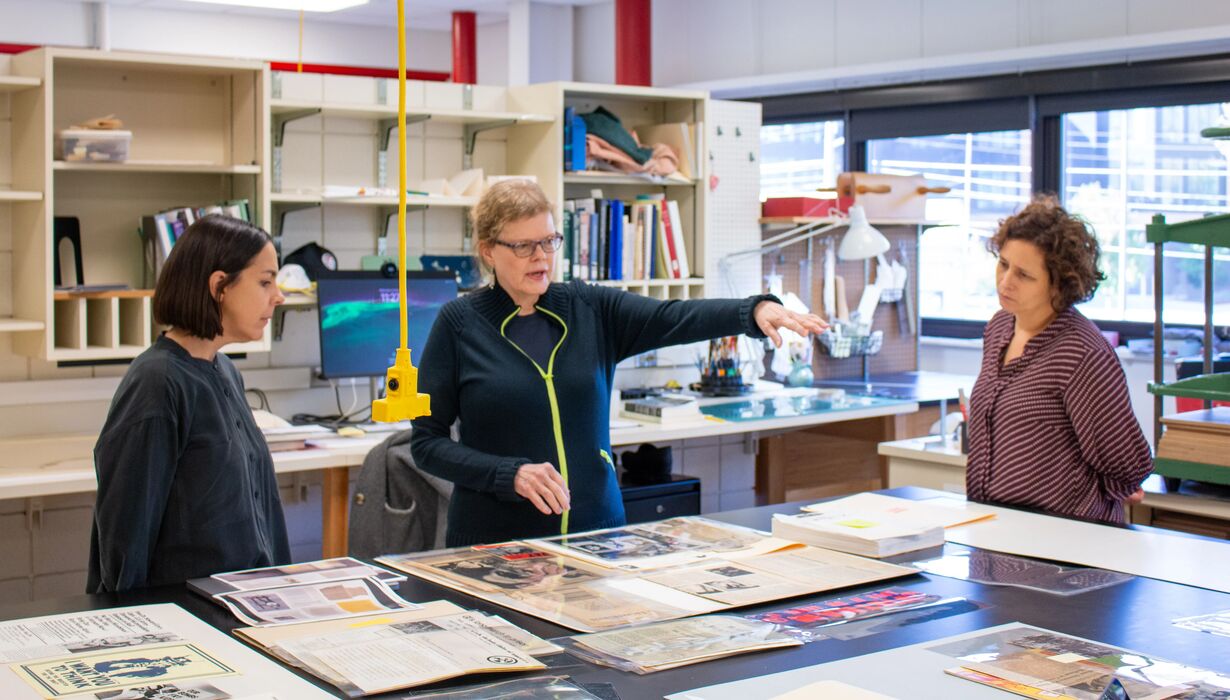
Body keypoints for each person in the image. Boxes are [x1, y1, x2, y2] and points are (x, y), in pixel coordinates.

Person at [411, 180, 826, 546]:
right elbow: (428, 444)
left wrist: (751, 312)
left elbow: (673, 317)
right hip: (496, 542)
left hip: (596, 536)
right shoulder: (459, 325)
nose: (541, 257)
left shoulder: (590, 309)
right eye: (523, 246)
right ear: (488, 251)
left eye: (549, 241)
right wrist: (508, 473)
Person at [87, 215, 290, 593]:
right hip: (189, 619)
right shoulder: (158, 383)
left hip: (247, 607)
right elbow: (125, 540)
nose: (278, 296)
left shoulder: (225, 370)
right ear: (219, 286)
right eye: (265, 281)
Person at [966, 196, 1152, 525]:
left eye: (1024, 275)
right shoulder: (999, 327)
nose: (1006, 281)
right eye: (1004, 264)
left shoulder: (1081, 352)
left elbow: (1127, 464)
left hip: (1068, 542)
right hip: (996, 528)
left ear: (1059, 285)